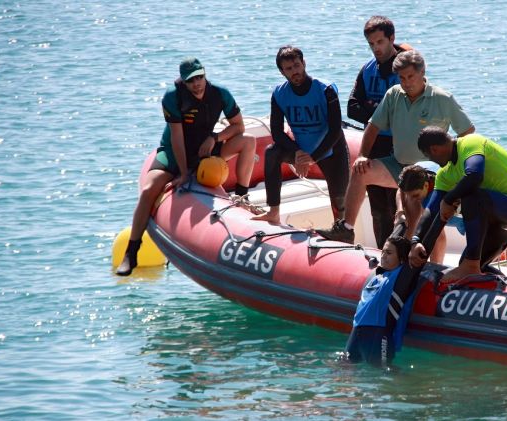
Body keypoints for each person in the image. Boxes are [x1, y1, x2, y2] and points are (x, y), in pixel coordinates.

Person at [117, 57, 256, 276]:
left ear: (205, 74)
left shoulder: (220, 94)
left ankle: (242, 196)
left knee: (249, 141)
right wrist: (182, 173)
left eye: (200, 77)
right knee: (147, 191)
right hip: (174, 152)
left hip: (205, 148)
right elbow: (177, 138)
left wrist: (215, 138)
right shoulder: (173, 98)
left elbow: (238, 126)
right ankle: (131, 251)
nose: (197, 83)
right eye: (191, 80)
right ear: (183, 81)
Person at [317, 50, 474, 243]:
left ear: (422, 72)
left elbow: (468, 132)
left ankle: (433, 267)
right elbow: (373, 126)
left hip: (431, 173)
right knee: (360, 171)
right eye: (402, 78)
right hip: (398, 165)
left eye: (411, 76)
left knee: (425, 219)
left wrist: (455, 168)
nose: (407, 82)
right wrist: (363, 155)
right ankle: (346, 229)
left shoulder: (442, 98)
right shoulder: (393, 94)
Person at [409, 127, 507, 281]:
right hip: (498, 223)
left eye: (429, 156)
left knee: (471, 196)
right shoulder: (445, 175)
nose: (432, 161)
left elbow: (475, 175)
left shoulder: (471, 142)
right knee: (472, 267)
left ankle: (470, 265)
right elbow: (431, 211)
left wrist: (448, 199)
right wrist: (415, 241)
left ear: (434, 149)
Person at [252, 46, 350, 224]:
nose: (295, 71)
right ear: (282, 72)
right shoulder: (279, 94)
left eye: (297, 65)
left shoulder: (325, 90)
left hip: (330, 149)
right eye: (289, 69)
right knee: (271, 152)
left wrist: (312, 158)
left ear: (304, 63)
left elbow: (335, 129)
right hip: (301, 149)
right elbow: (276, 132)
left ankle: (340, 229)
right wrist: (298, 152)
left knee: (340, 204)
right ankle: (273, 210)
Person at [348, 16, 411, 247]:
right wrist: (384, 113)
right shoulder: (367, 69)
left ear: (391, 39)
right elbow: (352, 108)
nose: (376, 48)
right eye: (371, 44)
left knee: (399, 206)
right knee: (378, 208)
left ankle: (401, 253)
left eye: (380, 42)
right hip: (374, 143)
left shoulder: (407, 69)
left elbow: (409, 112)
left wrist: (376, 112)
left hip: (400, 147)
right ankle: (381, 252)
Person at [343, 235, 413, 367]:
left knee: (384, 373)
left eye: (389, 253)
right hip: (357, 331)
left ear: (402, 258)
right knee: (343, 366)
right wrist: (400, 221)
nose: (384, 256)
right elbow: (392, 239)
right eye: (383, 252)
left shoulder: (401, 277)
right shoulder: (379, 274)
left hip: (379, 333)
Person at [396, 162, 447, 264]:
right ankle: (402, 261)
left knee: (434, 232)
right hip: (426, 180)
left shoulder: (438, 192)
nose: (412, 199)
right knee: (406, 221)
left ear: (426, 185)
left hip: (446, 198)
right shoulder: (411, 174)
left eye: (415, 195)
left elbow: (436, 232)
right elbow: (401, 189)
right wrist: (400, 212)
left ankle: (435, 267)